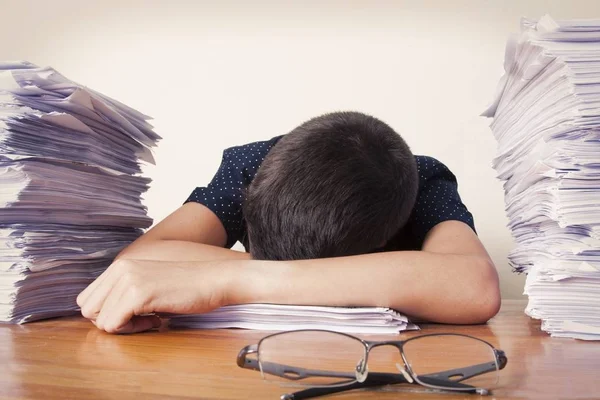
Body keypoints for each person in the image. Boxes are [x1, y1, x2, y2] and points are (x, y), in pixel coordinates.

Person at [77, 111, 501, 334]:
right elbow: (145, 259)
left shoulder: (422, 180)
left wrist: (229, 281)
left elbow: (474, 287)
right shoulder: (253, 166)